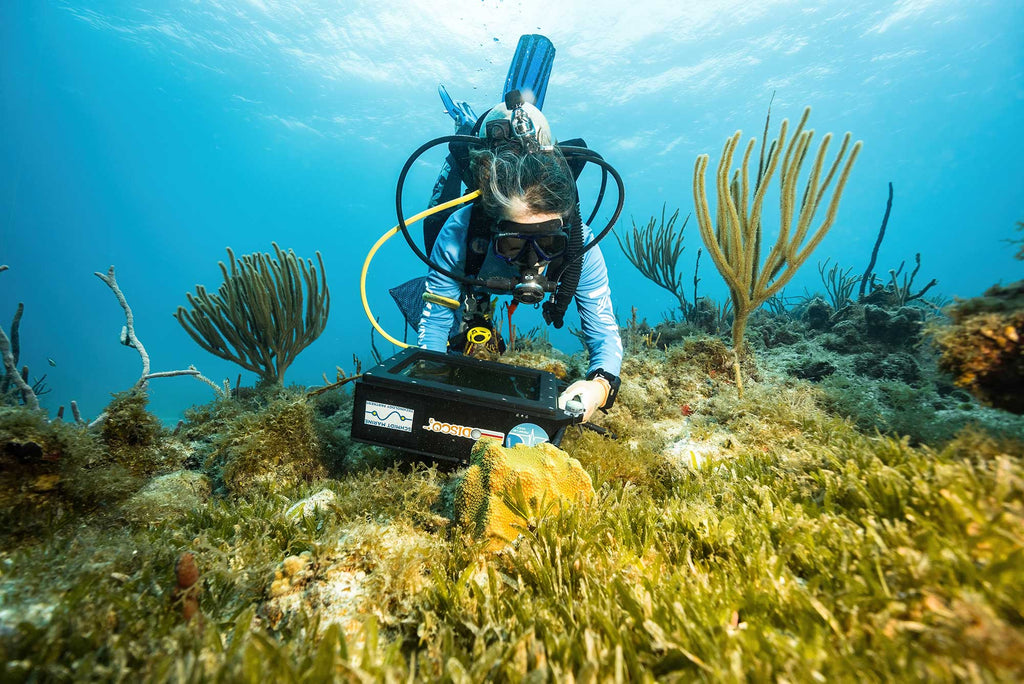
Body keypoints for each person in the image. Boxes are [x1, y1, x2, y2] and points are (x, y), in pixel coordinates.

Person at [417, 100, 623, 423]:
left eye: (548, 243)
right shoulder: (458, 234)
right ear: (493, 225)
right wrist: (431, 383)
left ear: (564, 233)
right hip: (476, 260)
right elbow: (434, 326)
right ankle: (465, 128)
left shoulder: (580, 249)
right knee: (434, 225)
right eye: (513, 244)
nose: (531, 261)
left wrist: (599, 388)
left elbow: (604, 335)